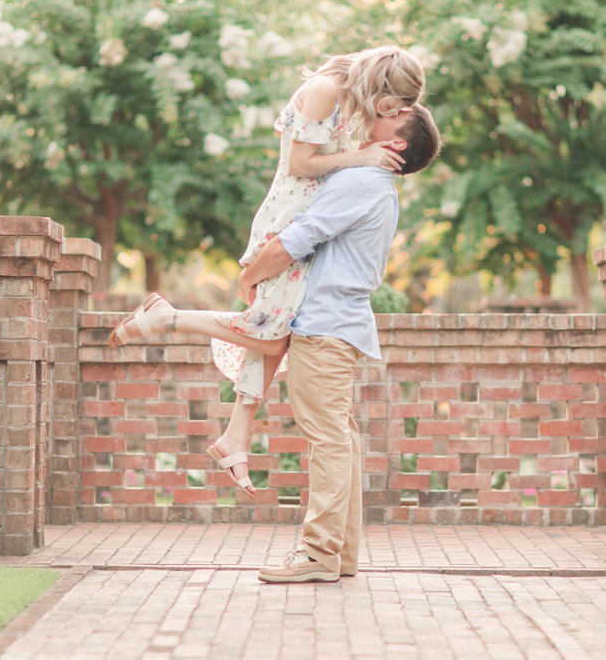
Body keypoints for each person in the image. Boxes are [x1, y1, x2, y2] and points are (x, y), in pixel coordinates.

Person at [107, 45, 426, 494]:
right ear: (381, 84)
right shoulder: (325, 89)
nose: (390, 113)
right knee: (271, 334)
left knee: (274, 333)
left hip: (307, 225)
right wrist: (361, 157)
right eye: (393, 105)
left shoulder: (350, 100)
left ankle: (235, 436)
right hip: (287, 223)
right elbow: (299, 164)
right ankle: (167, 317)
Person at [251, 103, 440, 583]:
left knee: (329, 441)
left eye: (393, 113)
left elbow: (299, 238)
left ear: (396, 142)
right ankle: (340, 554)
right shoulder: (372, 181)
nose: (379, 109)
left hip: (324, 327)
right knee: (339, 439)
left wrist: (248, 276)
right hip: (338, 325)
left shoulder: (361, 182)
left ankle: (318, 554)